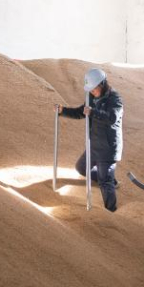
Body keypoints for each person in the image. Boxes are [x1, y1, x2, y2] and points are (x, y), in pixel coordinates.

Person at [55, 68, 123, 212]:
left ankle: (111, 211)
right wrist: (63, 111)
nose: (92, 92)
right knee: (81, 167)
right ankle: (109, 178)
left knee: (105, 182)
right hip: (94, 145)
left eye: (94, 89)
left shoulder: (114, 98)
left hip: (108, 148)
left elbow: (112, 118)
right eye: (90, 90)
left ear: (103, 84)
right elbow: (81, 112)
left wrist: (94, 112)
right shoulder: (91, 97)